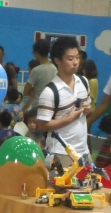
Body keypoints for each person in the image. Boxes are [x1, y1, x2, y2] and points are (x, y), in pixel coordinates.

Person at [35, 36, 92, 166]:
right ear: (57, 61)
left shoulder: (84, 82)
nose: (75, 62)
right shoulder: (50, 91)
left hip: (84, 151)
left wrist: (88, 109)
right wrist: (68, 119)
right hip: (60, 152)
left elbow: (89, 109)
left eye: (77, 57)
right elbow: (42, 125)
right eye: (70, 59)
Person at [23, 38, 55, 113]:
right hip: (51, 106)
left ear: (36, 53)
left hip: (38, 107)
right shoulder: (54, 68)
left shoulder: (36, 70)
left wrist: (32, 90)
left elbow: (25, 92)